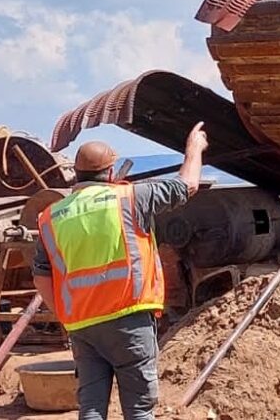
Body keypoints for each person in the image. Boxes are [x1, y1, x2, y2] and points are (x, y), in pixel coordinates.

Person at [32, 122, 209, 420]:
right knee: (138, 409)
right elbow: (186, 186)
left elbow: (41, 275)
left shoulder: (51, 217)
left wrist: (66, 317)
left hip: (83, 325)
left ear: (77, 173)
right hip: (128, 319)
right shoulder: (130, 198)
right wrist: (194, 148)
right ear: (112, 173)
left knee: (90, 408)